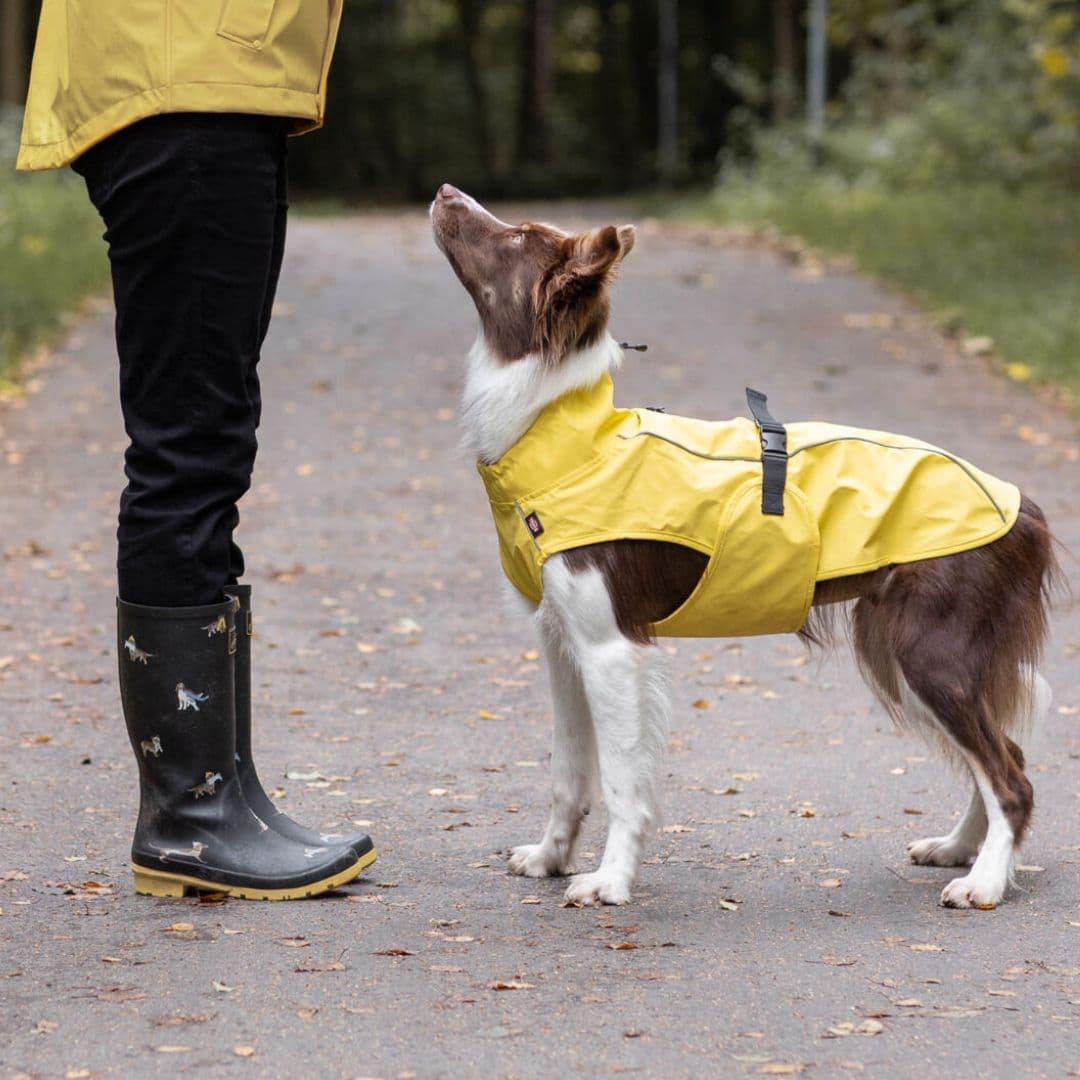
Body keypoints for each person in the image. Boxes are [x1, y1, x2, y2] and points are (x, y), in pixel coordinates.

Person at [16, 1, 376, 900]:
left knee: (210, 442)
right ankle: (189, 821)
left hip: (208, 76)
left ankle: (223, 796)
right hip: (178, 78)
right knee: (190, 449)